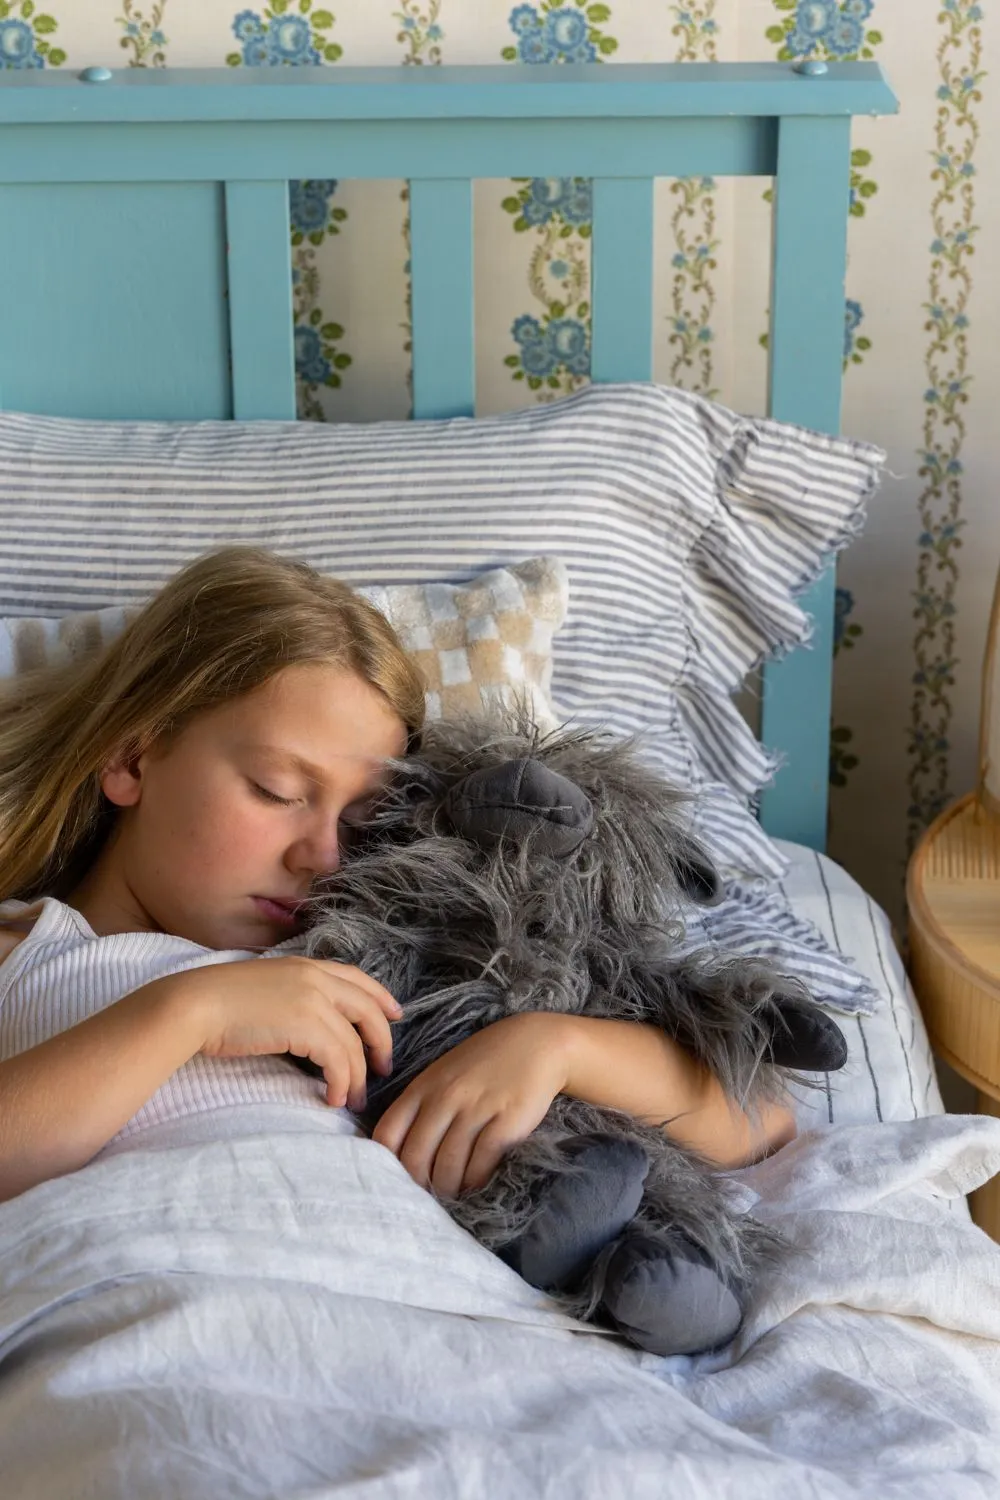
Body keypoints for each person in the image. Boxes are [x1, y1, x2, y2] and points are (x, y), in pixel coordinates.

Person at [0, 547, 795, 1209]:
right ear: (134, 759)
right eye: (278, 792)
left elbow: (761, 1118)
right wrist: (188, 1012)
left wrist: (554, 1047)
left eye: (359, 824)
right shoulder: (23, 947)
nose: (322, 855)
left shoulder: (369, 967)